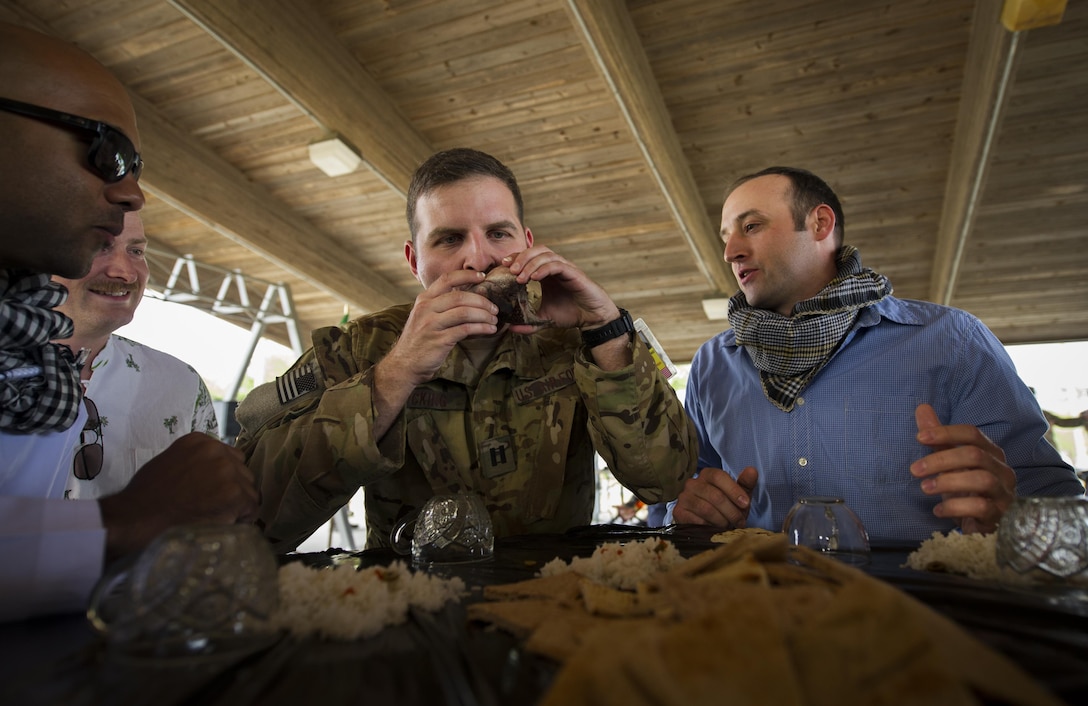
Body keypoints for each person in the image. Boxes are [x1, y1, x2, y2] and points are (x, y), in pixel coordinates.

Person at [236, 147, 697, 550]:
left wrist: (605, 330)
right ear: (414, 259)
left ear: (527, 243)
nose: (478, 258)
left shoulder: (580, 337)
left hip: (555, 603)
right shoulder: (359, 347)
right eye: (449, 238)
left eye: (498, 233)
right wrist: (394, 374)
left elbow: (663, 481)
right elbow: (252, 519)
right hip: (405, 609)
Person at [669, 166, 1084, 543]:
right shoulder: (711, 364)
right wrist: (687, 511)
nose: (730, 252)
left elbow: (1058, 504)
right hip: (752, 614)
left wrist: (1011, 515)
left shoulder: (951, 340)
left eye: (752, 226)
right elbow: (679, 495)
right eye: (726, 237)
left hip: (930, 617)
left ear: (820, 223)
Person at [0, 22, 258, 622]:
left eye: (133, 164)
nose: (131, 193)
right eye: (105, 152)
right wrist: (122, 521)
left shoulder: (28, 356)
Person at [52, 211, 220, 499]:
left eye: (136, 251)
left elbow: (209, 510)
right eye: (99, 247)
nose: (125, 273)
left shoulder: (181, 384)